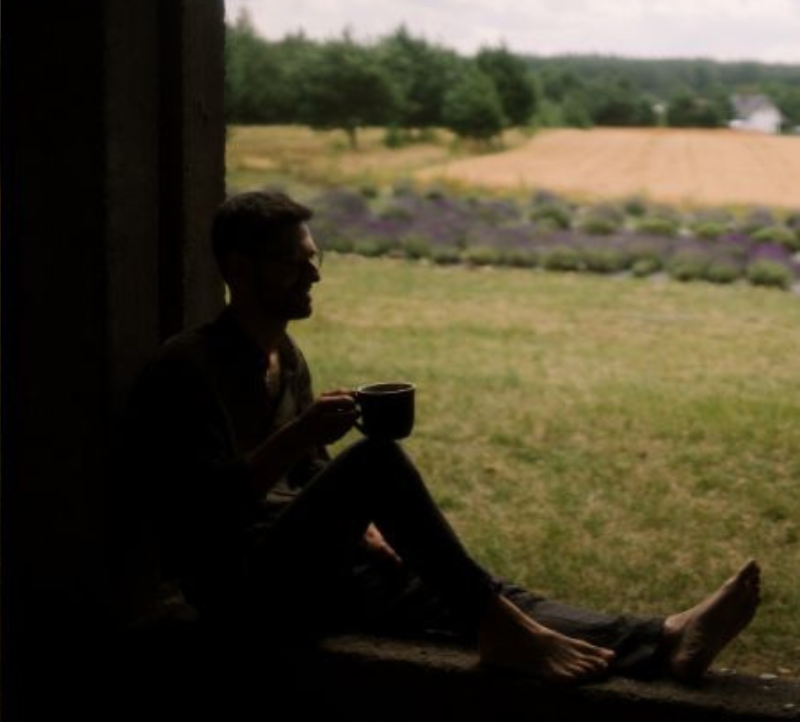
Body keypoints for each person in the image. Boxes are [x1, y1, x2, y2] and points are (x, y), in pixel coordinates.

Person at [127, 189, 761, 685]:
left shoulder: (286, 357)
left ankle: (664, 639)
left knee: (471, 590)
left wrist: (362, 527)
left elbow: (310, 472)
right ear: (239, 268)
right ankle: (507, 633)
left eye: (314, 257)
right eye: (294, 263)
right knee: (375, 461)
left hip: (311, 567)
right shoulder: (187, 367)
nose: (313, 274)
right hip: (245, 591)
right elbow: (204, 510)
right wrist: (301, 435)